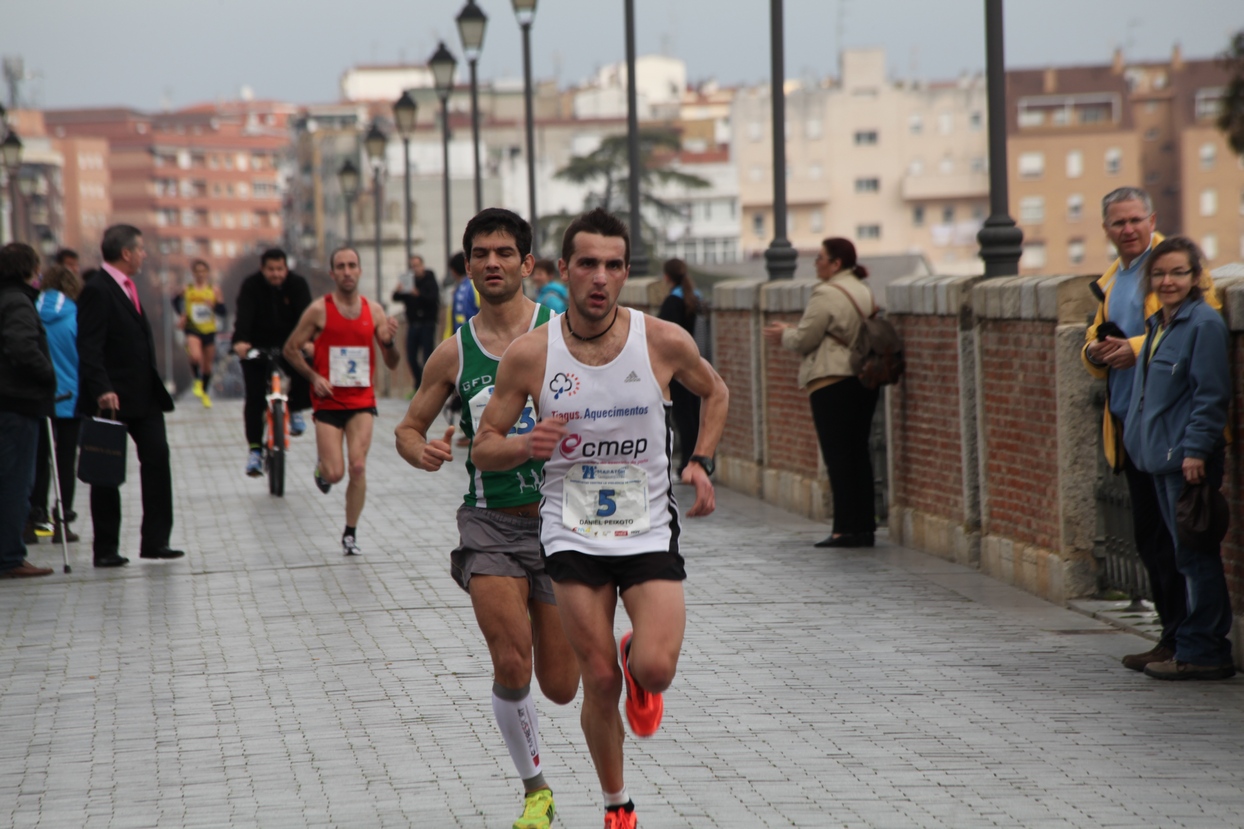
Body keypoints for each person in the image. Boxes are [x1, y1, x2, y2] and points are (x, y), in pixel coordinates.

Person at [471, 207, 729, 829]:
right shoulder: (533, 355)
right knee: (598, 678)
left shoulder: (661, 340)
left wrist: (700, 461)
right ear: (564, 269)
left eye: (614, 265)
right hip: (571, 531)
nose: (599, 277)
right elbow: (484, 444)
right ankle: (618, 806)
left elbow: (714, 390)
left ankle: (637, 647)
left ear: (625, 274)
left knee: (654, 669)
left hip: (645, 526)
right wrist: (526, 446)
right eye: (587, 263)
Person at [394, 208, 579, 829]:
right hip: (490, 522)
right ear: (468, 265)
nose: (492, 264)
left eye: (505, 253)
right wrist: (420, 450)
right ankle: (536, 791)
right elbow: (408, 426)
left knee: (560, 685)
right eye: (481, 254)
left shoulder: (568, 335)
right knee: (510, 663)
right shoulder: (453, 352)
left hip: (561, 522)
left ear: (528, 264)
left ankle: (625, 654)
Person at [1082, 187, 1219, 672]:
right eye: (1118, 223)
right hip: (1130, 429)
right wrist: (1097, 352)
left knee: (1183, 543)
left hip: (1172, 433)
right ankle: (1172, 637)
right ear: (1107, 229)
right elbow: (1096, 338)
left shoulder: (1175, 267)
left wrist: (1134, 349)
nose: (1128, 229)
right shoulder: (1112, 281)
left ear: (1152, 218)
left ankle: (1193, 645)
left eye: (1136, 220)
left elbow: (1197, 328)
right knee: (1152, 541)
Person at [1122, 236, 1235, 681]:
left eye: (1178, 273)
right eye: (1160, 273)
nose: (1168, 281)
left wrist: (1195, 451)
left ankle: (1205, 651)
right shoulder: (1159, 324)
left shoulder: (1203, 324)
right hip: (1157, 459)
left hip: (1185, 460)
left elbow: (1211, 396)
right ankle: (1186, 643)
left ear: (1195, 277)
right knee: (1180, 556)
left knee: (1195, 557)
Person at [762, 237, 879, 548]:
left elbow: (804, 340)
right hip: (863, 380)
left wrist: (784, 334)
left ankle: (843, 529)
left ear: (836, 263)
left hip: (831, 381)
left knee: (838, 457)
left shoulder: (826, 292)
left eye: (821, 258)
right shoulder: (862, 289)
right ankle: (865, 526)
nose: (816, 263)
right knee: (858, 455)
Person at [76, 225, 182, 567]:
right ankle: (106, 549)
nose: (144, 255)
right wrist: (102, 388)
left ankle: (155, 541)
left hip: (144, 396)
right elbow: (89, 346)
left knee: (157, 459)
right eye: (140, 249)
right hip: (112, 399)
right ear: (126, 253)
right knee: (106, 469)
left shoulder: (128, 286)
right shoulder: (97, 290)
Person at [284, 246, 400, 556]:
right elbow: (290, 349)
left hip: (362, 400)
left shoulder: (374, 311)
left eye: (352, 265)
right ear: (332, 273)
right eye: (341, 266)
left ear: (359, 271)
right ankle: (322, 469)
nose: (347, 271)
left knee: (358, 467)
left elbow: (392, 363)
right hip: (328, 402)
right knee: (335, 473)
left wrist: (388, 341)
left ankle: (350, 533)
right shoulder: (319, 310)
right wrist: (314, 378)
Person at [0, 243, 56, 579]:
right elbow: (21, 345)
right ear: (28, 268)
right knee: (17, 481)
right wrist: (46, 373)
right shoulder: (18, 300)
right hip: (17, 402)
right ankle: (10, 557)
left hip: (7, 400)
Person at [233, 248, 314, 477]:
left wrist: (308, 340)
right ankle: (255, 451)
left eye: (280, 269)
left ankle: (296, 409)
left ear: (286, 268)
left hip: (291, 345)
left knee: (304, 365)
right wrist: (240, 341)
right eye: (271, 269)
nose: (276, 274)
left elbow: (307, 317)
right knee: (255, 398)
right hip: (258, 347)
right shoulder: (251, 286)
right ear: (263, 269)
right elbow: (244, 316)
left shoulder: (297, 285)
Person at [30, 264, 84, 544]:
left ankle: (35, 520)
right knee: (65, 460)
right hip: (70, 400)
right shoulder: (75, 317)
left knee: (38, 460)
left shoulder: (30, 314)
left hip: (38, 399)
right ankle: (62, 520)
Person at [657, 258, 702, 476]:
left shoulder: (671, 302)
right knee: (694, 414)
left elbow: (664, 335)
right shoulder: (693, 298)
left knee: (683, 417)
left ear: (667, 277)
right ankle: (696, 460)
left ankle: (686, 462)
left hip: (677, 367)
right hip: (693, 361)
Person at [172, 259, 226, 408]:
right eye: (197, 272)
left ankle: (205, 392)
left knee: (208, 366)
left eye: (203, 271)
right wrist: (181, 314)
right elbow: (175, 300)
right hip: (192, 327)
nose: (200, 274)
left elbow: (223, 311)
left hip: (209, 329)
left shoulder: (214, 290)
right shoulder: (187, 289)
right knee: (195, 355)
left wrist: (213, 305)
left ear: (207, 273)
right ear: (193, 273)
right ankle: (197, 380)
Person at [390, 253, 440, 390]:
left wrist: (418, 294)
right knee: (411, 357)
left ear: (422, 266)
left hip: (427, 323)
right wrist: (399, 289)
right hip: (413, 324)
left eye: (417, 266)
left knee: (427, 356)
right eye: (412, 266)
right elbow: (395, 297)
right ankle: (419, 383)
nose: (415, 269)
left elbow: (433, 298)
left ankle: (428, 386)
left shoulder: (429, 278)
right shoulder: (409, 281)